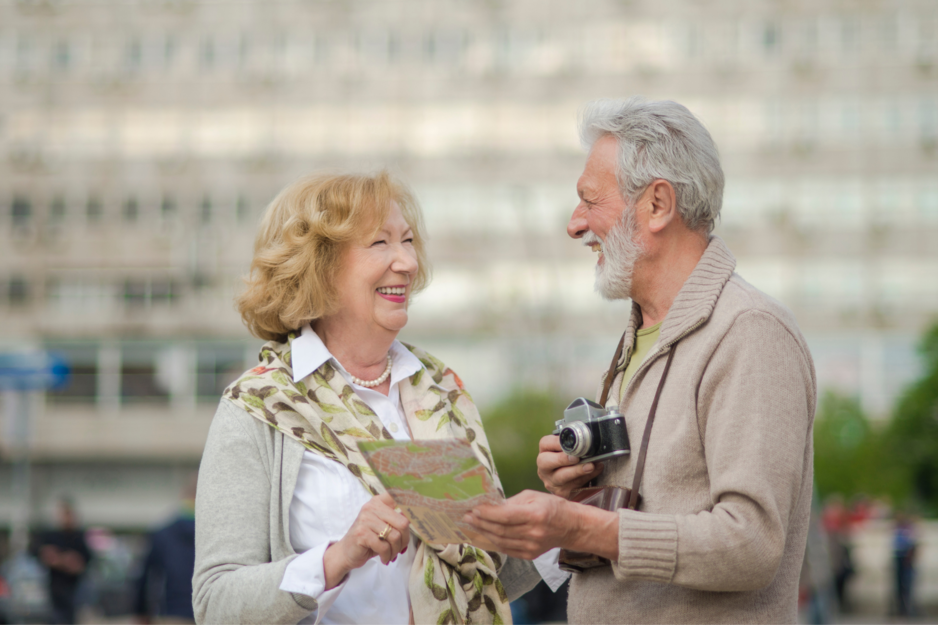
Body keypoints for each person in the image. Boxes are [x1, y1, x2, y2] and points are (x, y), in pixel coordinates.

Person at [466, 97, 817, 623]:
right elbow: (650, 507)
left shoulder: (750, 332)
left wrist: (579, 526)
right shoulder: (640, 334)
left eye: (590, 200)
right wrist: (575, 491)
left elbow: (751, 543)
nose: (574, 223)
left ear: (657, 205)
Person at [192, 172, 541, 624]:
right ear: (319, 265)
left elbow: (485, 576)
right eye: (380, 243)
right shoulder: (259, 406)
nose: (408, 263)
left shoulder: (434, 391)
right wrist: (338, 557)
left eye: (408, 241)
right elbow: (216, 603)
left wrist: (568, 515)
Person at [134, 478, 197, 623]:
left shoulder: (163, 533)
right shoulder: (220, 535)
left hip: (173, 612)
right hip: (212, 615)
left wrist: (141, 611)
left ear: (183, 495)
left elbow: (145, 576)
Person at [33, 498, 91, 624]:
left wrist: (72, 562)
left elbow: (85, 560)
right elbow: (38, 552)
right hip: (55, 585)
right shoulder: (51, 535)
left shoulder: (78, 536)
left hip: (74, 587)